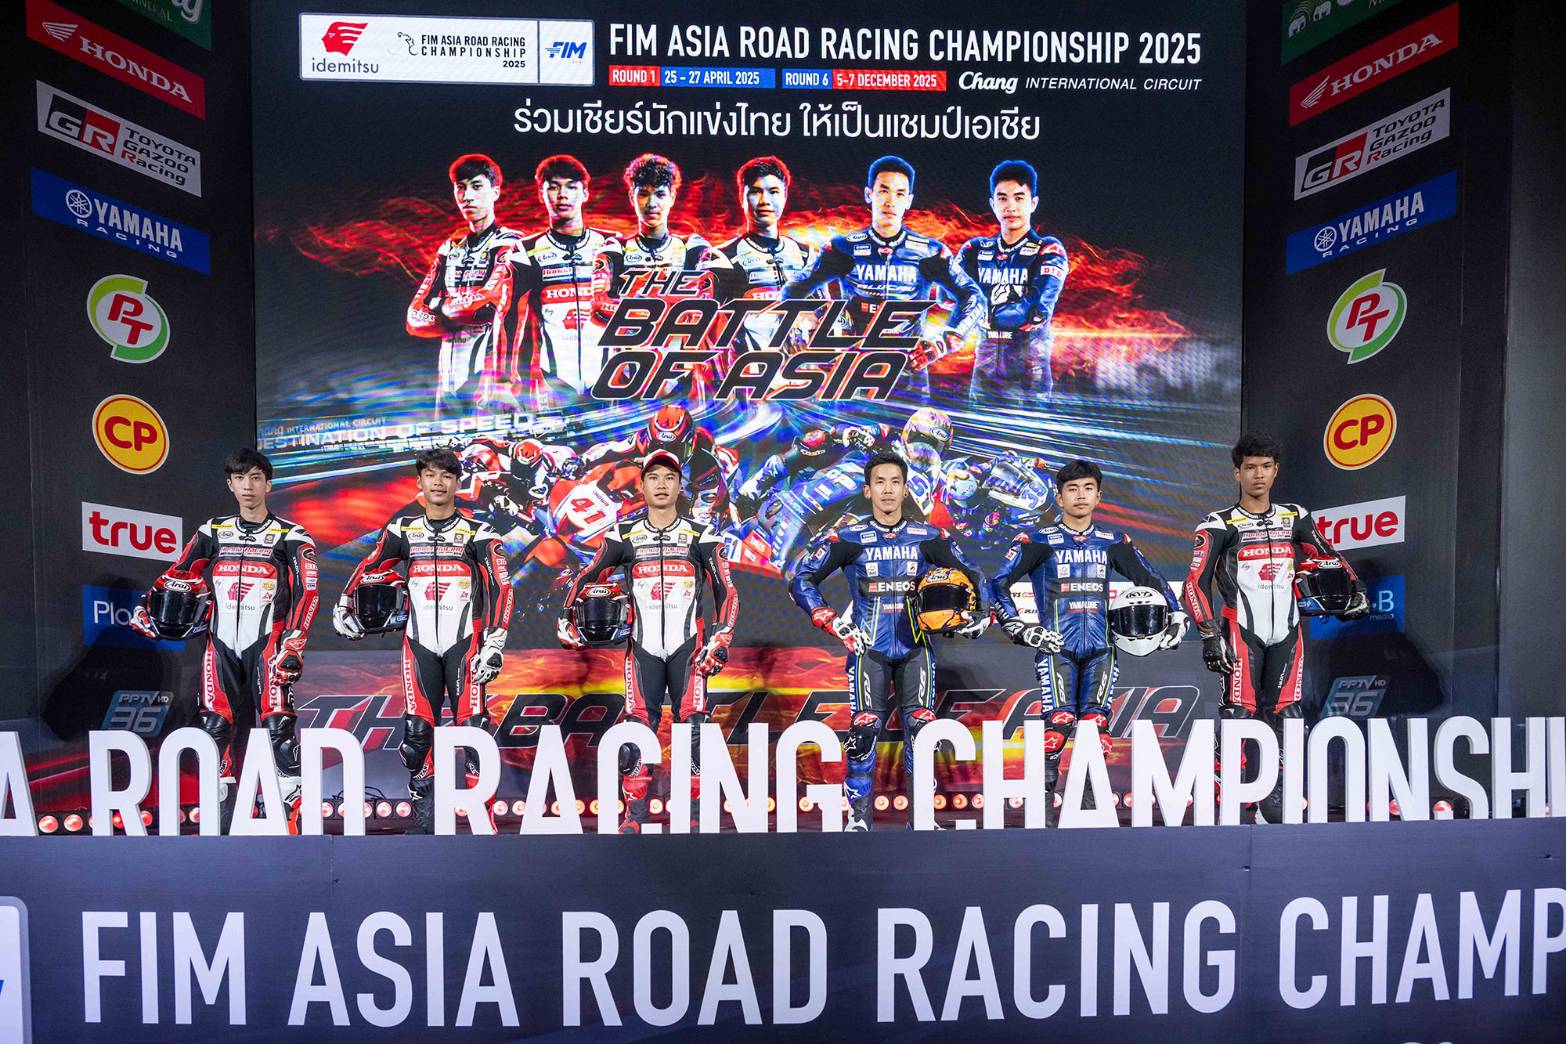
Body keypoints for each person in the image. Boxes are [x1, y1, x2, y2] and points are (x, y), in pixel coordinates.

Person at [789, 451, 988, 831]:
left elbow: (974, 575)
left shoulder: (928, 536)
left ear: (905, 488)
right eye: (879, 482)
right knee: (864, 731)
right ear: (867, 490)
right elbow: (802, 579)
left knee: (922, 731)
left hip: (917, 649)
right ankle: (858, 821)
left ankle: (922, 820)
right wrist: (830, 619)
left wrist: (979, 616)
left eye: (895, 482)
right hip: (868, 649)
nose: (887, 490)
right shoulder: (848, 538)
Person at [131, 448, 319, 833]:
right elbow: (178, 574)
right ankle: (222, 828)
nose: (248, 486)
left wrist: (294, 642)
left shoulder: (292, 535)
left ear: (269, 485)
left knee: (279, 731)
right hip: (218, 645)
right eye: (240, 478)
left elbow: (309, 592)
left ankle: (291, 827)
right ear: (230, 484)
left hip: (269, 645)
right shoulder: (212, 531)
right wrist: (146, 607)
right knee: (214, 728)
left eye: (255, 478)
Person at [1183, 432, 1368, 822]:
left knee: (1288, 713)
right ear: (1237, 473)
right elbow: (1195, 583)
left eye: (1265, 467)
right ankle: (1229, 792)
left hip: (1288, 629)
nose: (1258, 475)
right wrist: (1208, 634)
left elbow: (1329, 556)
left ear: (1276, 470)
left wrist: (1357, 591)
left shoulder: (1295, 516)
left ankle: (1276, 793)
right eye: (1250, 467)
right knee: (1238, 713)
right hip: (1240, 629)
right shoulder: (1218, 524)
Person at [988, 460, 1188, 807]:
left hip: (1102, 647)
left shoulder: (1113, 541)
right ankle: (1041, 807)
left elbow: (1150, 577)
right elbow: (998, 582)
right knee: (1059, 724)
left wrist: (1177, 612)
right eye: (1072, 489)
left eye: (1087, 488)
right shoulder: (1036, 541)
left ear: (1099, 496)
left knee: (1096, 727)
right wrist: (1017, 626)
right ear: (1059, 497)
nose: (1080, 495)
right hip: (1056, 647)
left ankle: (1090, 807)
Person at [333, 448, 514, 833]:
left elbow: (502, 587)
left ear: (458, 483)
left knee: (475, 732)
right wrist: (344, 603)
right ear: (419, 481)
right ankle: (426, 818)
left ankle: (483, 824)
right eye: (431, 474)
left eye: (446, 475)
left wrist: (494, 643)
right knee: (416, 738)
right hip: (418, 646)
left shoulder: (480, 533)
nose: (438, 482)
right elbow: (370, 566)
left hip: (466, 645)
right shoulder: (402, 530)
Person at [557, 450, 738, 833]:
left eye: (669, 477)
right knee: (635, 732)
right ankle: (634, 818)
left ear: (680, 486)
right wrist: (565, 617)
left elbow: (726, 590)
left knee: (695, 730)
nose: (661, 484)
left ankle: (695, 817)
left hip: (691, 648)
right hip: (642, 650)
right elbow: (586, 575)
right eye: (653, 477)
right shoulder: (622, 535)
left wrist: (722, 635)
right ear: (641, 485)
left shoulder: (702, 535)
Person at [782, 155, 985, 399]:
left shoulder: (930, 252)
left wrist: (942, 343)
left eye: (900, 194)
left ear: (909, 200)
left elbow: (973, 297)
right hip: (854, 373)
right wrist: (801, 322)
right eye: (884, 191)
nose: (890, 201)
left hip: (909, 375)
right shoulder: (843, 248)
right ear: (869, 194)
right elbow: (794, 288)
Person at [406, 154, 527, 415]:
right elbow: (414, 317)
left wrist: (440, 307)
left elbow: (489, 304)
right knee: (440, 440)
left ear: (495, 192)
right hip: (447, 382)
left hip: (491, 381)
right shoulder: (450, 247)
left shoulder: (513, 243)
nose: (467, 196)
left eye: (476, 186)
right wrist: (456, 310)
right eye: (460, 188)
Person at [957, 160, 1069, 405]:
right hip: (984, 375)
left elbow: (1036, 311)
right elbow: (950, 297)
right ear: (992, 204)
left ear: (1033, 203)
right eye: (1003, 198)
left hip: (1028, 377)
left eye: (1019, 198)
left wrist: (980, 308)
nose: (1011, 206)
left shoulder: (1048, 249)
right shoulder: (974, 250)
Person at [509, 154, 615, 403]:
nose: (562, 195)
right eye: (553, 187)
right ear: (541, 194)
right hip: (554, 381)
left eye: (571, 187)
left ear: (585, 193)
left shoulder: (612, 244)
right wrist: (505, 380)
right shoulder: (525, 250)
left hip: (611, 378)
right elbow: (510, 318)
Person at [714, 156, 819, 353]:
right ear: (742, 197)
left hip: (805, 367)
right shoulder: (721, 258)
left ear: (784, 197)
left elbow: (827, 315)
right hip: (749, 368)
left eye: (773, 191)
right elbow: (710, 330)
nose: (764, 201)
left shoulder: (807, 255)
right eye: (755, 192)